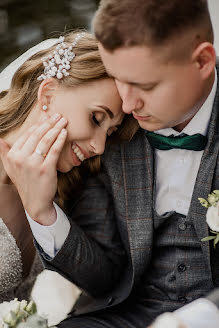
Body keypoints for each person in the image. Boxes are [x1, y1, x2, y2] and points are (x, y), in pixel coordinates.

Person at [1, 0, 219, 327]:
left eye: (144, 85)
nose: (129, 105)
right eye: (120, 82)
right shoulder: (120, 139)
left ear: (202, 61)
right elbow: (102, 272)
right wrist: (43, 214)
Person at [0, 30, 136, 303]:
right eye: (97, 119)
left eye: (110, 134)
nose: (99, 147)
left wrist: (43, 213)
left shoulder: (80, 178)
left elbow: (103, 279)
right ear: (48, 94)